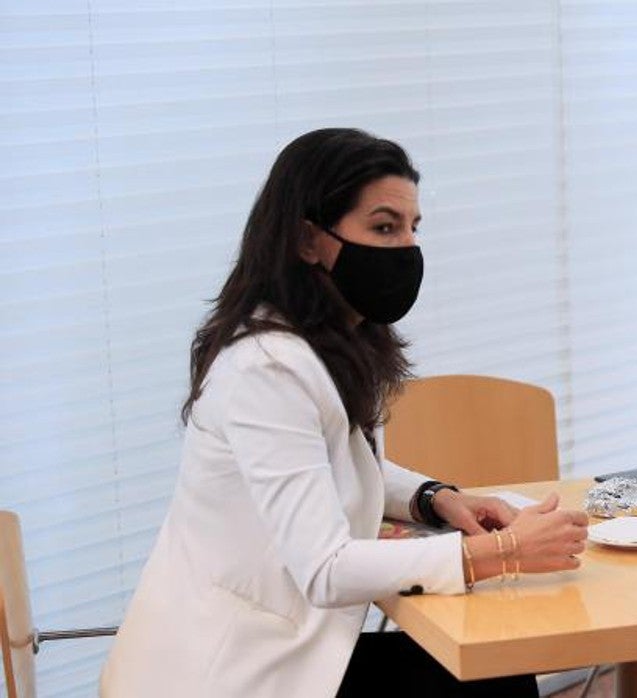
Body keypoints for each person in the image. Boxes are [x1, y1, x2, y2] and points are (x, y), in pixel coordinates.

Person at [100, 128, 589, 697]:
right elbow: (325, 569)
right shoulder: (267, 368)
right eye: (384, 227)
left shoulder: (325, 343)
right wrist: (501, 553)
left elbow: (339, 465)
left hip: (288, 653)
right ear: (309, 240)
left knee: (490, 668)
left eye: (412, 228)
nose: (406, 248)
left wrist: (439, 499)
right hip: (229, 675)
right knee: (488, 676)